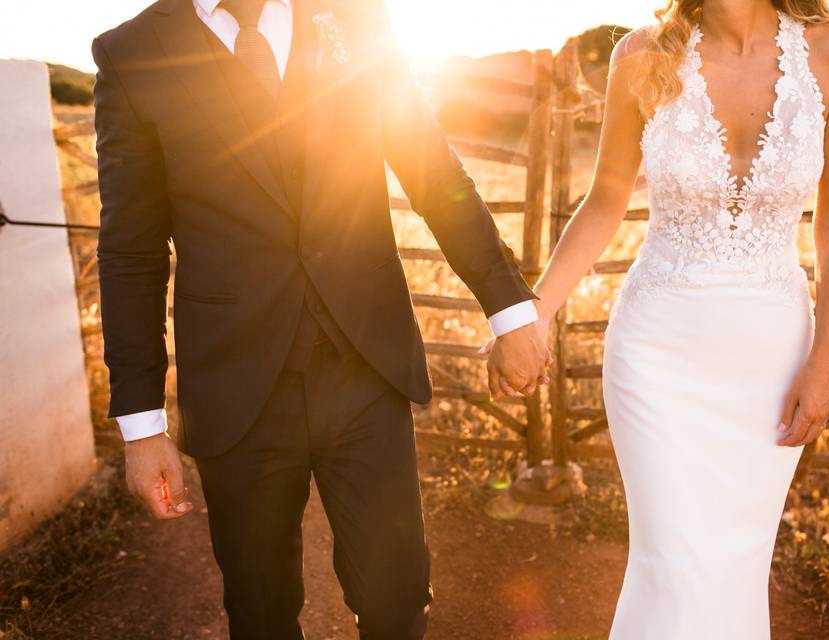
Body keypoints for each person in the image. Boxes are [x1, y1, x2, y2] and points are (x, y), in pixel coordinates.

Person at [92, 0, 550, 637]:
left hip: (364, 365)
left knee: (397, 599)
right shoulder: (132, 54)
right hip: (236, 388)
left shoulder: (353, 16)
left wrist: (508, 310)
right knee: (261, 611)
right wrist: (141, 426)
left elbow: (431, 168)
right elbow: (131, 252)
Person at [489, 0, 829, 636]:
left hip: (771, 356)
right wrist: (534, 314)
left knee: (735, 566)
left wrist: (824, 363)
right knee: (673, 561)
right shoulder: (640, 55)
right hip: (657, 354)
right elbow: (606, 197)